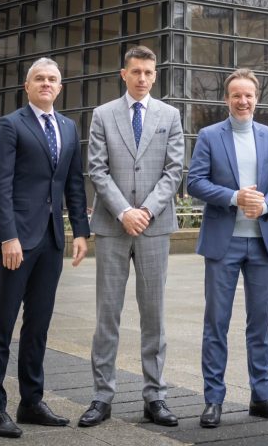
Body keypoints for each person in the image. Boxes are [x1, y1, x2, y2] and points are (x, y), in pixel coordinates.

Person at [0, 58, 89, 438]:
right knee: (3, 323)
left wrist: (80, 232)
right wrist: (8, 236)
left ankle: (30, 401)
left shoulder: (69, 128)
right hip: (16, 241)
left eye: (52, 79)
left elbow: (73, 183)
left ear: (60, 87)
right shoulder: (10, 125)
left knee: (38, 324)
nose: (46, 83)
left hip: (51, 240)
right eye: (39, 78)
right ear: (27, 86)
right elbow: (0, 185)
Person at [82, 46, 184, 428]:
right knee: (107, 314)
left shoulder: (170, 116)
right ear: (123, 74)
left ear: (155, 76)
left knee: (153, 315)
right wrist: (125, 211)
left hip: (154, 226)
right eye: (136, 71)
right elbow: (97, 169)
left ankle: (155, 397)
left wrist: (146, 211)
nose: (142, 78)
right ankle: (101, 397)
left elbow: (174, 170)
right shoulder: (102, 114)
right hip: (113, 226)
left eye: (148, 72)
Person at [187, 69, 268, 428]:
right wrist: (234, 197)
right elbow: (195, 182)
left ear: (256, 98)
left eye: (248, 95)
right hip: (223, 244)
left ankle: (261, 396)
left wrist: (265, 205)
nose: (243, 101)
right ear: (227, 99)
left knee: (259, 325)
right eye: (236, 95)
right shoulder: (209, 136)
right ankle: (213, 399)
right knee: (216, 324)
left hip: (262, 244)